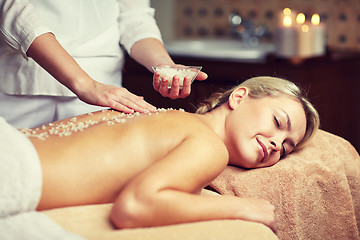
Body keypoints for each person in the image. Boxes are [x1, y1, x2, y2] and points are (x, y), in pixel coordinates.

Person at [0, 76, 319, 238]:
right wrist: (246, 208)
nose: (277, 144)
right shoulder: (209, 147)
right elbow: (135, 206)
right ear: (239, 97)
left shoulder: (161, 116)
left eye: (287, 147)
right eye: (278, 123)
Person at [0, 0, 208, 128]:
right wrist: (86, 84)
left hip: (105, 94)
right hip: (24, 87)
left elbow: (134, 18)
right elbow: (12, 9)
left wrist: (164, 65)